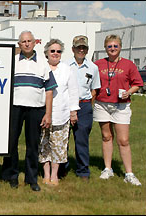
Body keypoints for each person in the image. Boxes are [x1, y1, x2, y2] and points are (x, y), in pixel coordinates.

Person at [1, 31, 57, 191]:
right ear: (19, 44)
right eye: (23, 41)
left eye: (29, 41)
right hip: (15, 107)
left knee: (32, 144)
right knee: (11, 142)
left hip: (36, 108)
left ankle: (32, 179)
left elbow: (49, 90)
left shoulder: (43, 63)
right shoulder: (12, 62)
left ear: (34, 43)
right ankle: (11, 176)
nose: (26, 44)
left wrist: (48, 113)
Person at [93, 34, 143, 186]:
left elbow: (137, 84)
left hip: (121, 105)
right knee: (106, 137)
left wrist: (129, 92)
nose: (113, 49)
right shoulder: (98, 64)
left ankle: (129, 173)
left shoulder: (128, 65)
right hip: (102, 104)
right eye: (110, 46)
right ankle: (107, 169)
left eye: (115, 46)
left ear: (120, 47)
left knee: (123, 140)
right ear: (105, 48)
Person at [39, 39, 80, 186]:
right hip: (43, 113)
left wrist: (73, 111)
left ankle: (55, 175)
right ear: (47, 53)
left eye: (58, 51)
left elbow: (73, 91)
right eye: (52, 51)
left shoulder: (67, 69)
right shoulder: (41, 67)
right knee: (44, 145)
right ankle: (46, 174)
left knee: (58, 146)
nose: (55, 54)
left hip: (61, 115)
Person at [61, 35, 101, 180]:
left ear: (87, 50)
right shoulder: (64, 65)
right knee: (63, 138)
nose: (81, 50)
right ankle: (61, 168)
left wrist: (87, 106)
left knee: (82, 139)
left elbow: (94, 89)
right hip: (66, 104)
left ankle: (83, 170)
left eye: (84, 48)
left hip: (84, 105)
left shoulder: (93, 68)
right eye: (78, 47)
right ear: (73, 49)